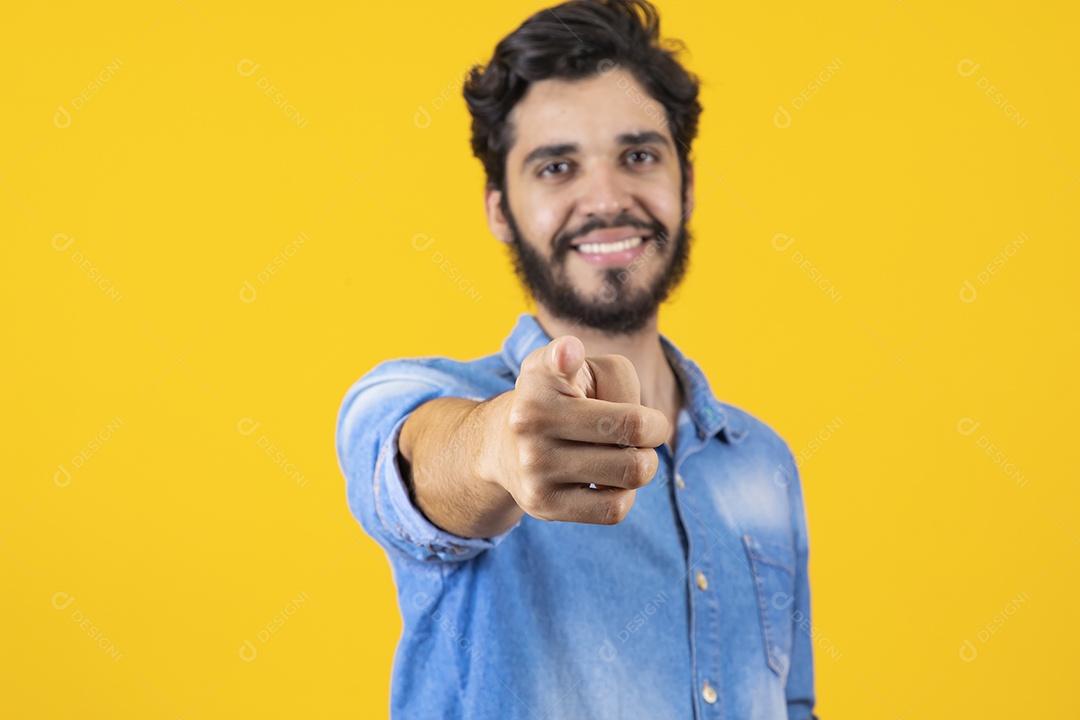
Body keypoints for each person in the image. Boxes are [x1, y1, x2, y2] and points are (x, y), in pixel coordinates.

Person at [335, 1, 818, 717]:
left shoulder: (765, 463)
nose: (606, 198)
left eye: (638, 156)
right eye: (557, 166)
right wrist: (497, 447)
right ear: (500, 208)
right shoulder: (429, 398)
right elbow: (413, 459)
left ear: (685, 184)